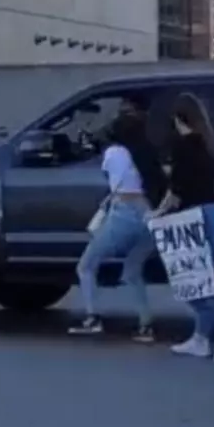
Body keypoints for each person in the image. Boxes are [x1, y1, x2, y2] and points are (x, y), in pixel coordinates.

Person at [146, 93, 214, 377]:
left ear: (179, 119)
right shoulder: (212, 145)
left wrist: (156, 213)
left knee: (190, 279)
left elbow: (177, 191)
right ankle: (201, 339)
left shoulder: (183, 146)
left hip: (198, 218)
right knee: (201, 277)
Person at [70, 113, 168, 340]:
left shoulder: (114, 153)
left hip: (123, 213)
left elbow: (113, 182)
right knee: (133, 270)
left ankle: (92, 318)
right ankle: (146, 326)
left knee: (86, 266)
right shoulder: (147, 153)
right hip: (149, 215)